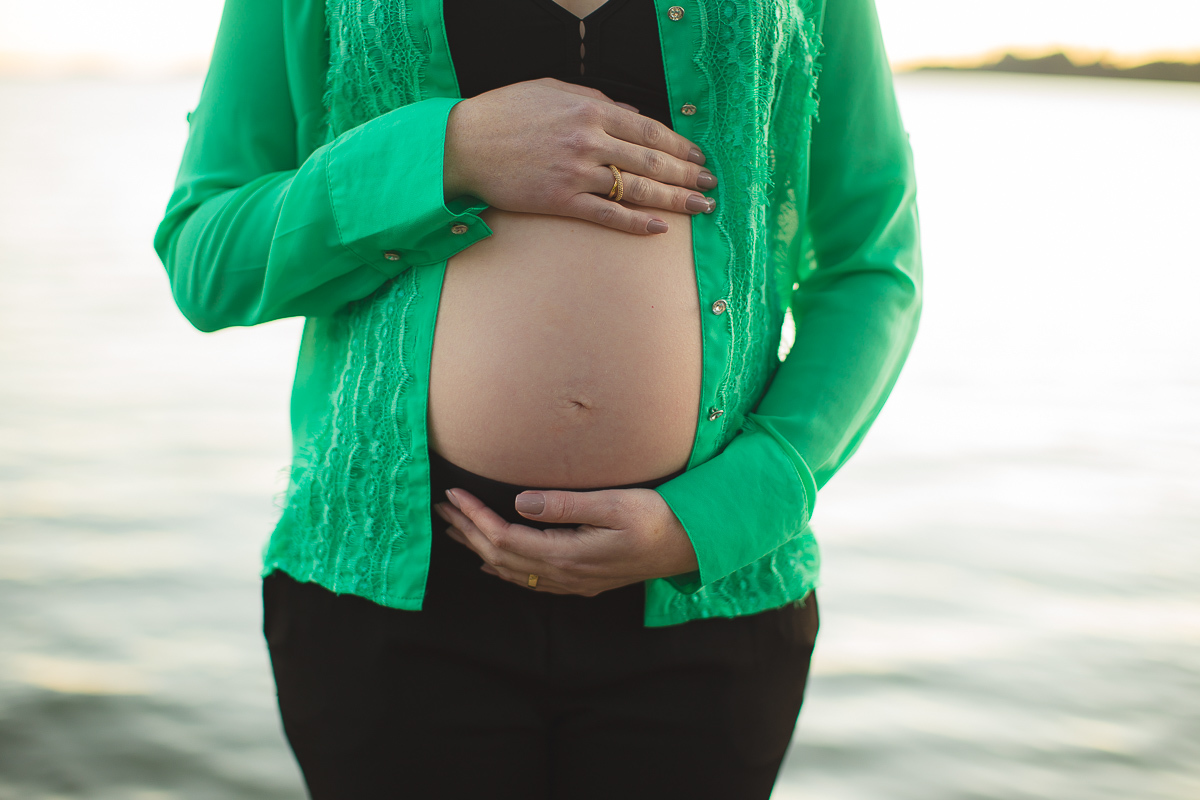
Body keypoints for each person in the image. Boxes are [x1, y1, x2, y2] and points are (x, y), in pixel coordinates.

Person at [153, 0, 922, 796]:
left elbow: (872, 265)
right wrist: (446, 153)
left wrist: (728, 510)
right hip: (391, 604)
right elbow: (206, 260)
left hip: (709, 597)